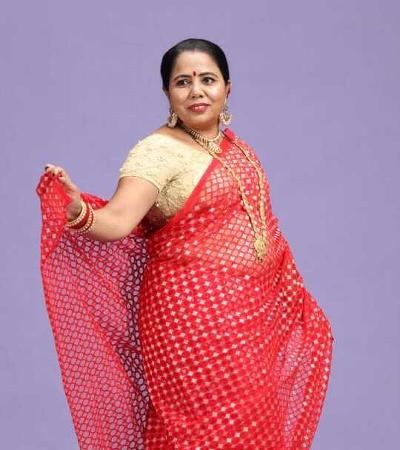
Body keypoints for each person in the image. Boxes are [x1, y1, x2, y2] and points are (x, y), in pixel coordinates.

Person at [36, 38, 334, 449]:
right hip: (188, 319)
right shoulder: (158, 151)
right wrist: (77, 210)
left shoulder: (236, 148)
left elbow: (264, 230)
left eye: (207, 80)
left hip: (250, 321)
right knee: (196, 431)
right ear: (167, 92)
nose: (196, 91)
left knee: (252, 426)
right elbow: (118, 220)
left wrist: (293, 298)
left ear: (227, 88)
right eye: (183, 82)